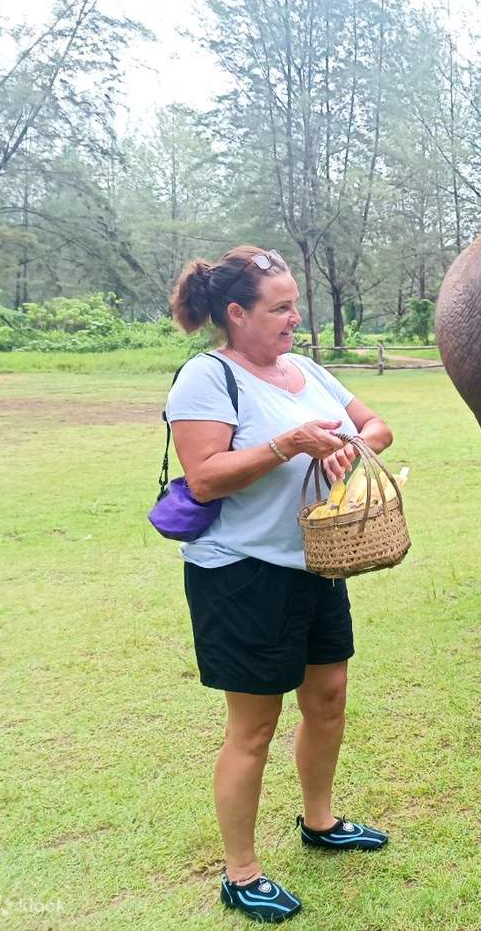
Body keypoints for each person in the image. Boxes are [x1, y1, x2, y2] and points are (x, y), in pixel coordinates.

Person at [166, 245, 390, 923]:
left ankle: (319, 821)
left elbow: (375, 423)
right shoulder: (206, 378)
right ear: (235, 313)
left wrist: (356, 447)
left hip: (316, 561)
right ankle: (240, 872)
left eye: (295, 304)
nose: (296, 317)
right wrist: (288, 445)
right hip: (241, 572)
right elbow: (205, 475)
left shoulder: (307, 369)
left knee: (328, 697)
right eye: (281, 307)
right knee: (254, 726)